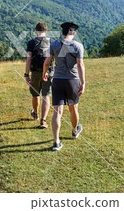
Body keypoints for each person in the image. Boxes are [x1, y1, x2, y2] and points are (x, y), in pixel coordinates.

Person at [43, 22, 85, 151]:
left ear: (63, 33)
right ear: (74, 33)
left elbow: (47, 62)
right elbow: (80, 65)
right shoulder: (78, 46)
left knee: (57, 111)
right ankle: (74, 130)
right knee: (73, 108)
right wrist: (83, 83)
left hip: (58, 80)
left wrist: (44, 73)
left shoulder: (54, 44)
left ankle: (56, 142)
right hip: (73, 80)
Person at [25, 22, 53, 128]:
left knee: (35, 94)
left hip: (36, 72)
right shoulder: (52, 41)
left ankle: (36, 115)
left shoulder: (31, 43)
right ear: (46, 31)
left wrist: (26, 74)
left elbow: (28, 59)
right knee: (46, 96)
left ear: (36, 31)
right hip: (48, 72)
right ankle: (43, 120)